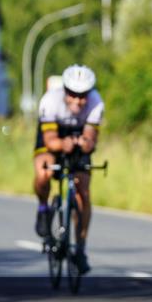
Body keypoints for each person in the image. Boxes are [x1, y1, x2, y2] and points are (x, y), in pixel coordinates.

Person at [33, 64, 103, 274]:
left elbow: (91, 139)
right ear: (65, 91)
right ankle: (43, 209)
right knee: (44, 171)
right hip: (53, 137)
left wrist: (85, 143)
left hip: (78, 139)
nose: (78, 100)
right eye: (73, 94)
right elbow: (50, 140)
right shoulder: (50, 101)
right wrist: (63, 144)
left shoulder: (96, 102)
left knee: (84, 193)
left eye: (83, 95)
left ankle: (80, 248)